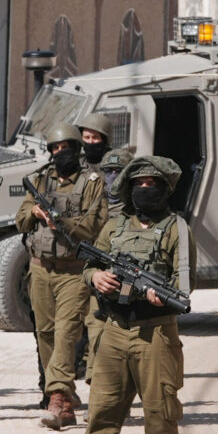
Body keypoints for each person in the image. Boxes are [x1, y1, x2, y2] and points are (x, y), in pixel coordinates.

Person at [49, 155, 194, 434]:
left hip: (156, 334)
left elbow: (186, 284)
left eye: (153, 184)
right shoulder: (114, 227)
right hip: (113, 331)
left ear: (165, 189)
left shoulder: (176, 227)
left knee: (160, 412)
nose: (146, 190)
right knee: (102, 410)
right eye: (139, 184)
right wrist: (95, 279)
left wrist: (159, 295)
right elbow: (91, 267)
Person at [16, 123, 107, 429]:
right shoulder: (40, 180)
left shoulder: (93, 181)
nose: (59, 154)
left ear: (76, 148)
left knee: (67, 332)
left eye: (64, 147)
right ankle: (63, 395)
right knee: (44, 332)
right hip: (40, 268)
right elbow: (20, 219)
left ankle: (57, 398)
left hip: (73, 271)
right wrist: (36, 214)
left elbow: (95, 224)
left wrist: (62, 223)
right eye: (54, 149)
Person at [82, 146, 133, 386]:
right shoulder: (94, 204)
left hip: (132, 288)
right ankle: (97, 392)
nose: (112, 177)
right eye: (108, 171)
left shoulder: (138, 208)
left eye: (118, 171)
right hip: (100, 283)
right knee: (97, 334)